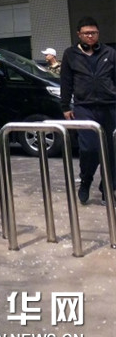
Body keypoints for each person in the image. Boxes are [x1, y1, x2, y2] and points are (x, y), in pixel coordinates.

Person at [60, 17, 116, 206]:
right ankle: (86, 180)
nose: (90, 36)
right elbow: (66, 82)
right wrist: (65, 106)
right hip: (84, 107)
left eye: (94, 33)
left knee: (112, 151)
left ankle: (107, 189)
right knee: (89, 148)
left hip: (109, 106)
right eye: (86, 33)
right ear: (79, 34)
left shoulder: (110, 53)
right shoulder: (70, 54)